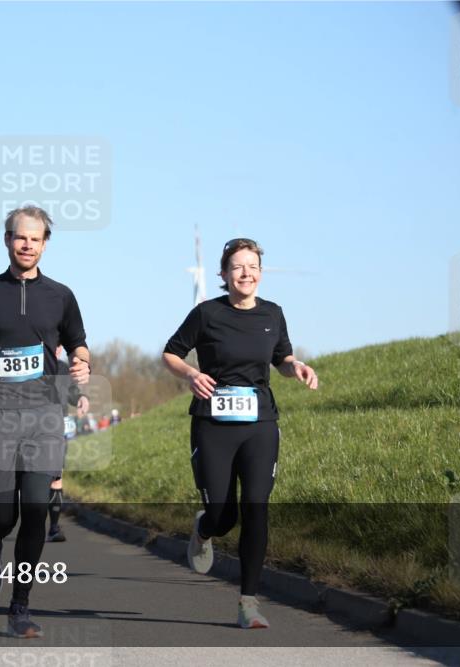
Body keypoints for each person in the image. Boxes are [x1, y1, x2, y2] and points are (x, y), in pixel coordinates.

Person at [162, 238, 318, 629]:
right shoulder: (206, 313)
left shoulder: (273, 313)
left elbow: (281, 358)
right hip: (213, 424)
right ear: (223, 274)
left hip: (259, 423)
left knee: (256, 508)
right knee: (222, 515)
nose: (246, 273)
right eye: (237, 267)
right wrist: (192, 374)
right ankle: (204, 529)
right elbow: (171, 353)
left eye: (252, 266)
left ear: (260, 273)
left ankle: (249, 602)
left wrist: (295, 367)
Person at [0, 205, 89, 638]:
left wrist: (82, 363)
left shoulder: (61, 296)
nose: (27, 244)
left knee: (35, 511)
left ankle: (20, 607)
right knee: (3, 514)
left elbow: (78, 344)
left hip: (44, 413)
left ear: (45, 244)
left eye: (35, 238)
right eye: (20, 237)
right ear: (7, 240)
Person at [47, 346, 90, 543]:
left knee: (56, 478)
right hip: (30, 429)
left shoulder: (63, 368)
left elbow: (71, 392)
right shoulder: (31, 367)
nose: (55, 349)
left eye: (58, 345)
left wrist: (81, 398)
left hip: (56, 430)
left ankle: (54, 527)